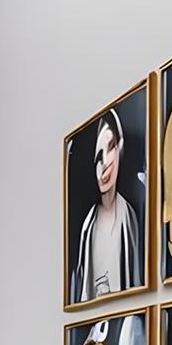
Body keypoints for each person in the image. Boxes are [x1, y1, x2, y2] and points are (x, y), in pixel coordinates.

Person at [70, 107, 144, 304]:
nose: (105, 164)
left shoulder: (128, 217)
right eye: (98, 157)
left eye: (110, 147)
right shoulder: (88, 226)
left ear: (120, 148)